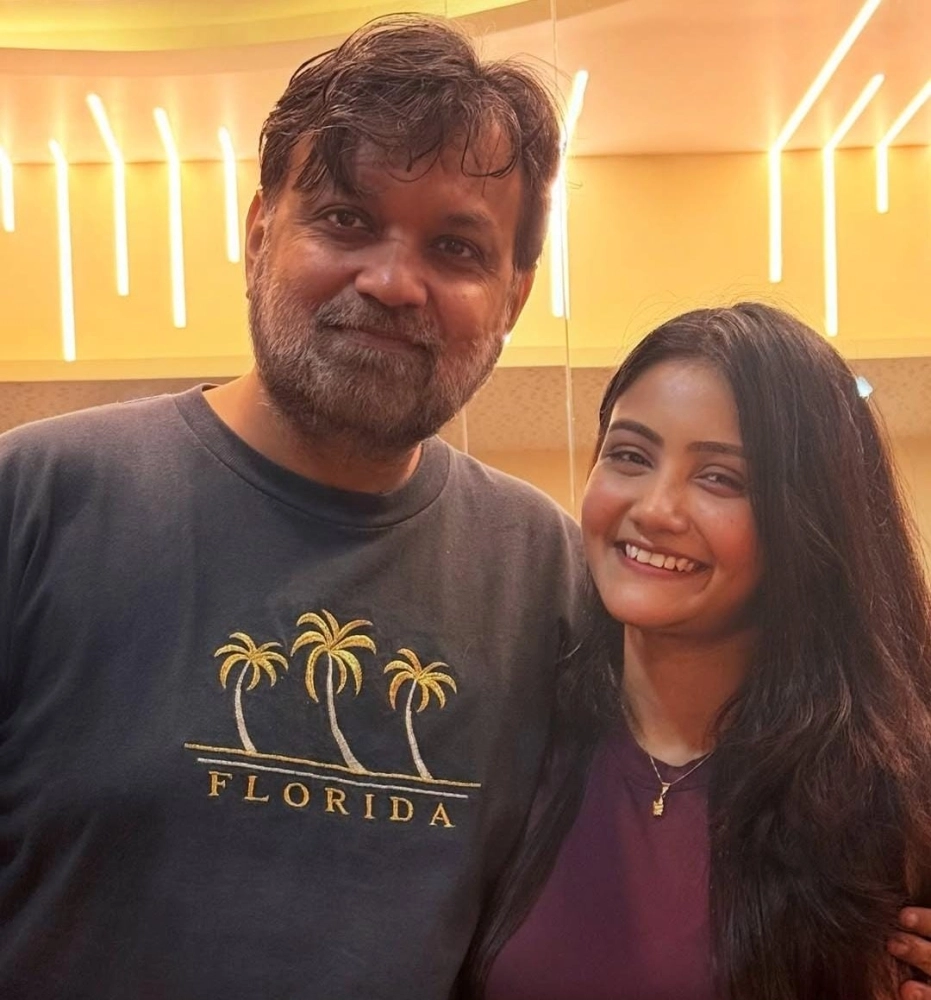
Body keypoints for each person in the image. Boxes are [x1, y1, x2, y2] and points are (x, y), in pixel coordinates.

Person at [0, 16, 589, 1000]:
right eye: (347, 221)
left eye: (455, 247)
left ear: (513, 298)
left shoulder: (550, 578)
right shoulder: (36, 502)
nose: (393, 282)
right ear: (259, 231)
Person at [462, 303, 931, 1000]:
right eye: (630, 456)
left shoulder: (893, 791)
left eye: (720, 478)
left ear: (807, 522)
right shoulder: (514, 734)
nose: (655, 508)